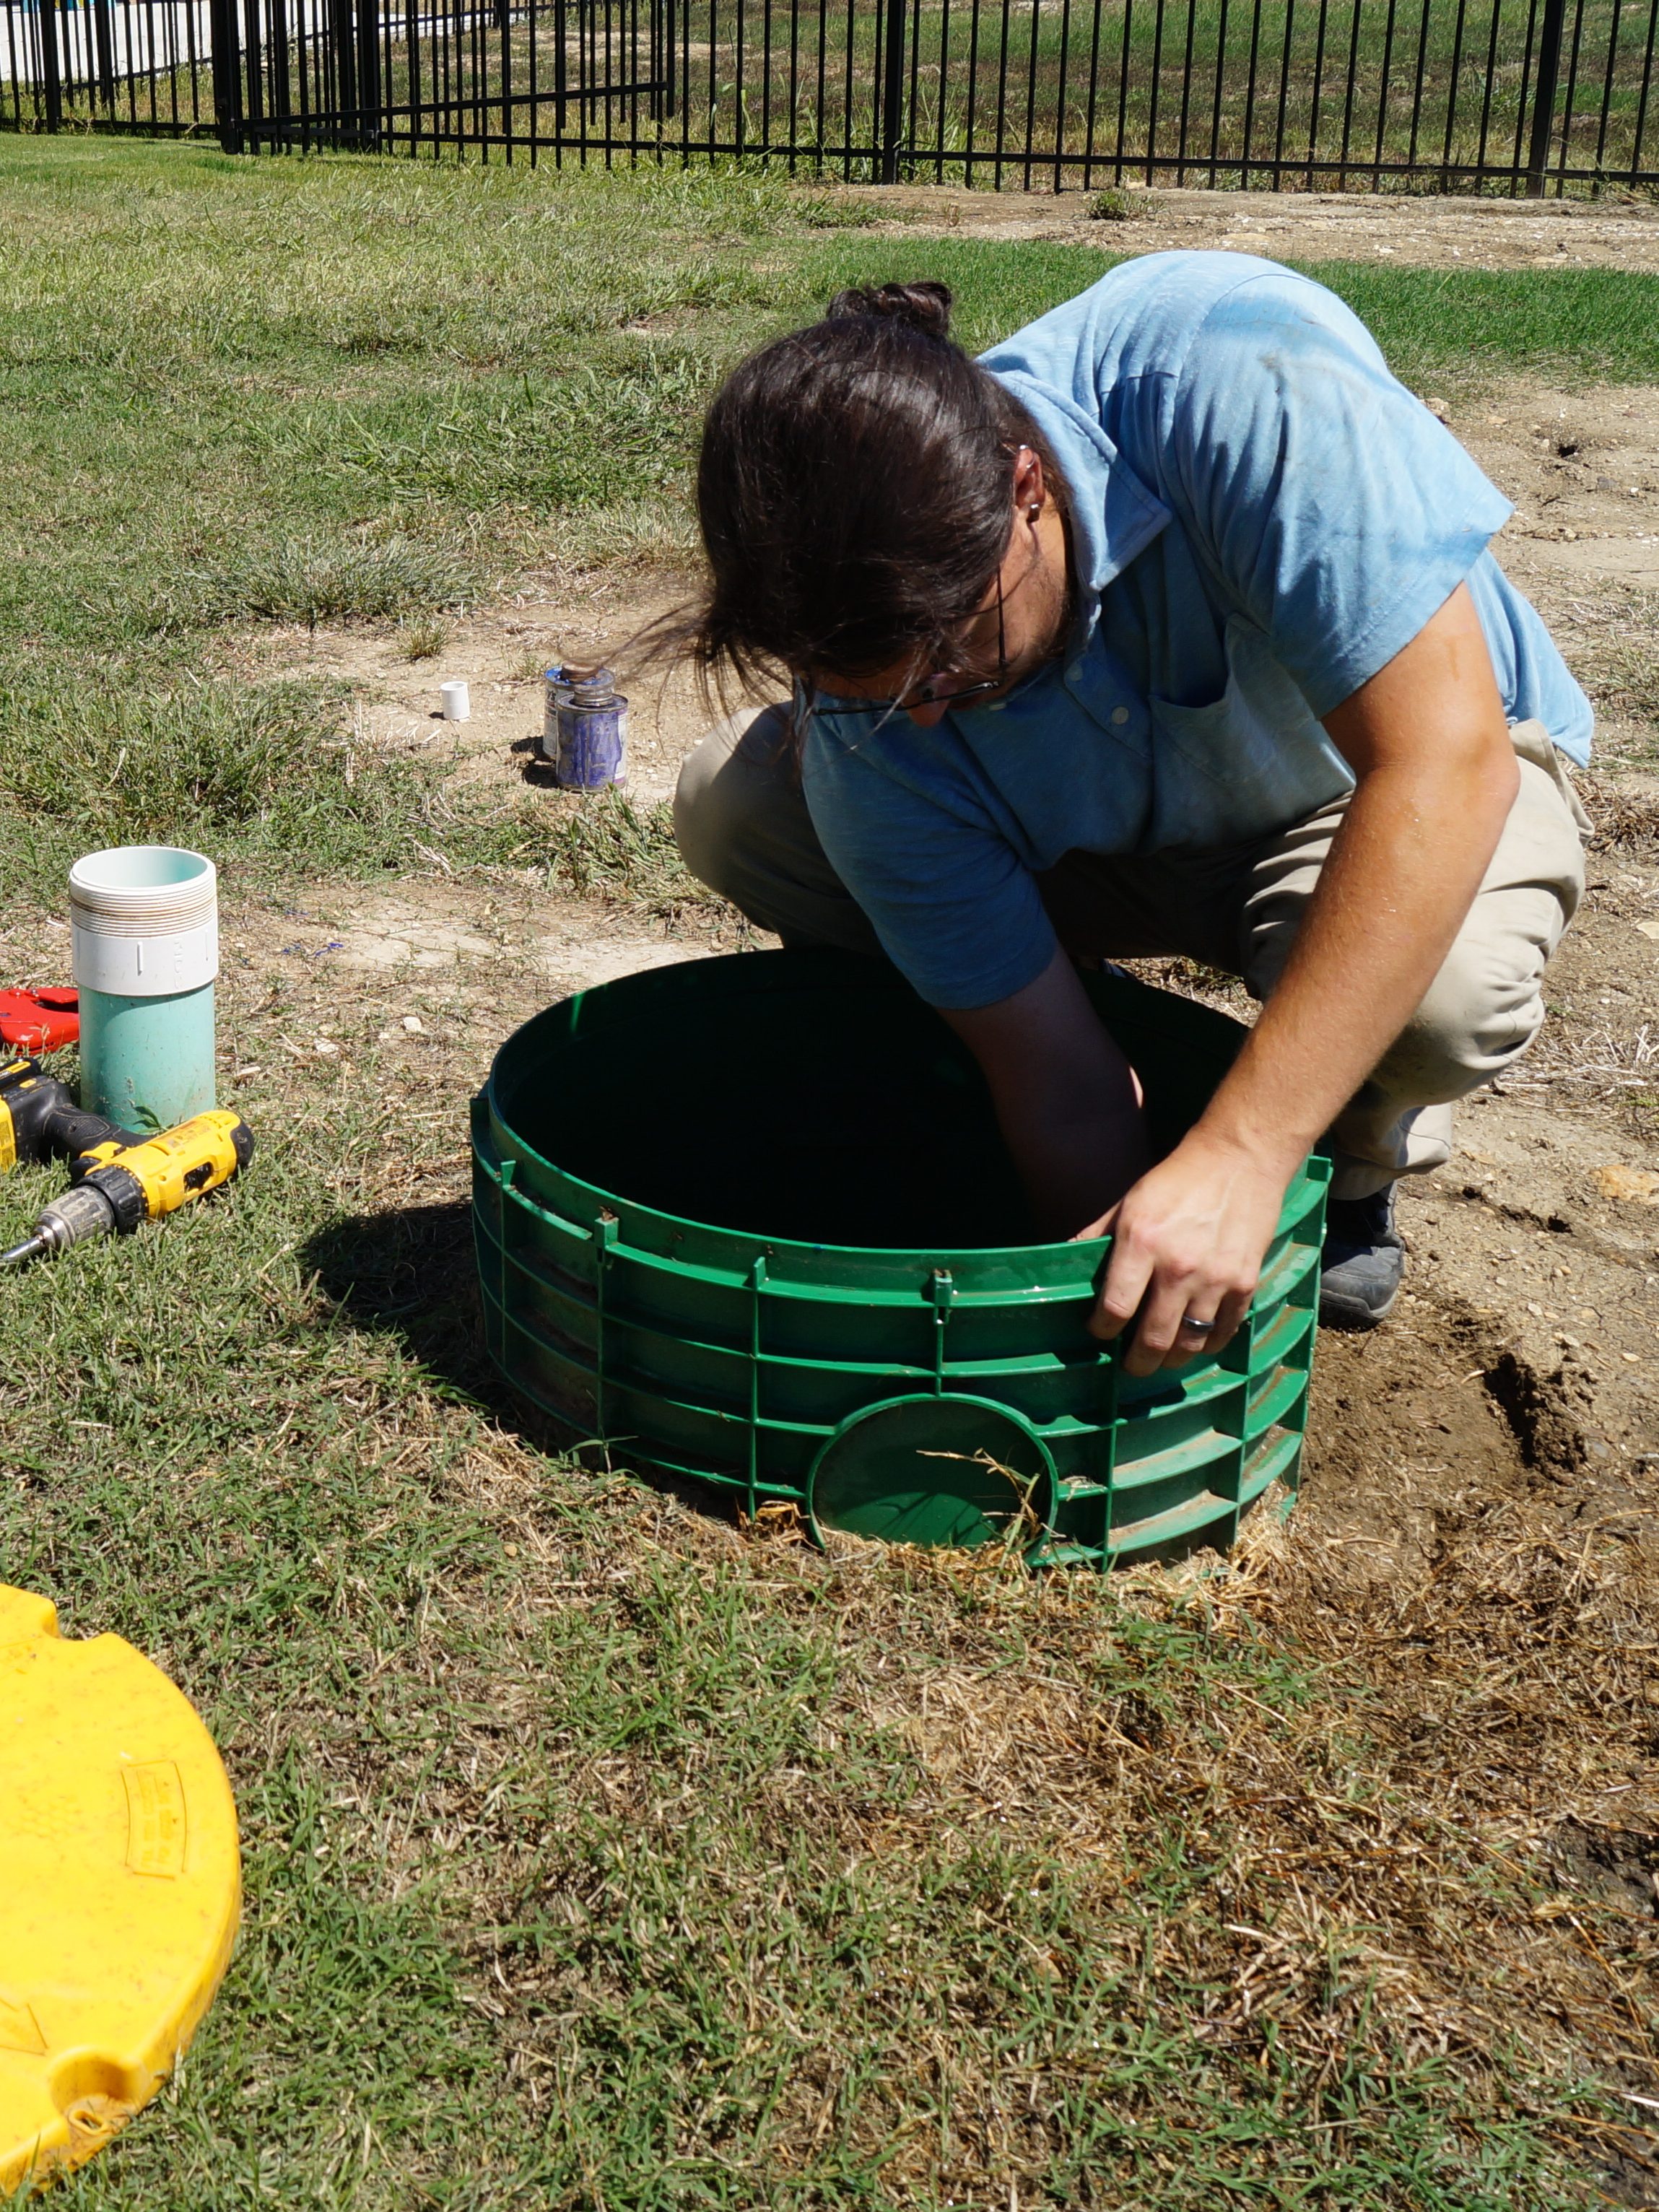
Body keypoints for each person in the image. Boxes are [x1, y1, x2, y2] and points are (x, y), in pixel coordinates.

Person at [668, 255, 1590, 1377]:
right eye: (879, 693)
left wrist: (1246, 1157)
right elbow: (1055, 1087)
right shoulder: (876, 725)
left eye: (952, 663)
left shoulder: (1239, 373)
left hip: (1360, 794)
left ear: (1025, 489)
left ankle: (1348, 1165)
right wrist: (1105, 1298)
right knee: (750, 803)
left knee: (1438, 1007)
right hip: (1097, 838)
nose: (919, 720)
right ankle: (1081, 1054)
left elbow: (1441, 766)